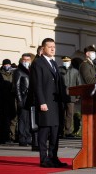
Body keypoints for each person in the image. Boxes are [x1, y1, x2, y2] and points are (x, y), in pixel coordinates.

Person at [30, 38, 68, 168]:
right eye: (50, 47)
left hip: (56, 104)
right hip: (45, 103)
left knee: (55, 132)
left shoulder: (54, 63)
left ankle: (53, 157)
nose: (53, 49)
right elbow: (37, 84)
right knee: (44, 132)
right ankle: (44, 159)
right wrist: (41, 101)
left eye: (54, 47)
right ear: (43, 48)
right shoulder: (38, 63)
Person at [58, 56, 81, 138]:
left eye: (67, 61)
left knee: (69, 114)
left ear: (70, 61)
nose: (66, 62)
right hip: (61, 95)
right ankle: (60, 131)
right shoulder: (59, 70)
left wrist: (78, 95)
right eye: (64, 61)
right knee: (61, 114)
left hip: (71, 96)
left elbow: (78, 83)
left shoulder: (75, 71)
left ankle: (68, 131)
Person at [12, 53, 32, 146]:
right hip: (23, 98)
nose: (26, 61)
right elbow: (16, 86)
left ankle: (28, 137)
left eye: (28, 60)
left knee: (28, 119)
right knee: (22, 119)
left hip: (30, 98)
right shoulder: (18, 71)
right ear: (21, 60)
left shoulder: (30, 70)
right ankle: (22, 138)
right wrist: (19, 100)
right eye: (24, 60)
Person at [0, 59, 17, 144]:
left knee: (13, 118)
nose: (7, 66)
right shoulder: (0, 74)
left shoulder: (13, 74)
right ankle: (5, 136)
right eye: (6, 64)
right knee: (5, 119)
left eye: (8, 64)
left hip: (13, 99)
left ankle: (13, 136)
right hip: (4, 99)